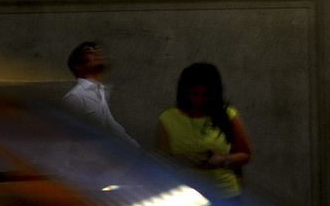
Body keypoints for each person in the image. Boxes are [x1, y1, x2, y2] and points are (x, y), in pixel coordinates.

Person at [155, 63, 252, 197]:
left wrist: (223, 160)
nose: (199, 100)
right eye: (194, 94)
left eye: (205, 95)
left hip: (224, 197)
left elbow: (245, 153)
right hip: (181, 197)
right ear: (185, 92)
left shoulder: (228, 115)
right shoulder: (169, 119)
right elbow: (158, 161)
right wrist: (180, 160)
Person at [62, 42, 137, 146]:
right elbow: (67, 138)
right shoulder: (75, 96)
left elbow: (112, 126)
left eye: (96, 50)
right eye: (89, 52)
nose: (96, 53)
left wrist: (137, 149)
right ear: (79, 66)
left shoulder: (99, 91)